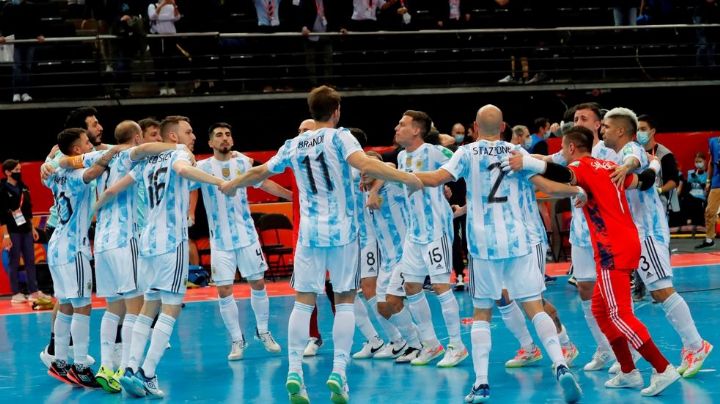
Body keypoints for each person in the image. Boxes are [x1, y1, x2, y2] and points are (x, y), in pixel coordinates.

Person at [220, 85, 422, 404]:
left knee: (303, 301)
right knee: (343, 301)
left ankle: (295, 371)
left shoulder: (294, 143)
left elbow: (261, 170)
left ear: (312, 110)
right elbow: (366, 164)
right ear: (337, 110)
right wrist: (407, 177)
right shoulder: (341, 137)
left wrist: (233, 183)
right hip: (342, 231)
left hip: (309, 233)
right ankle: (339, 373)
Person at [413, 104, 582, 403]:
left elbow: (437, 178)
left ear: (475, 129)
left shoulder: (466, 153)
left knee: (481, 313)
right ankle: (559, 363)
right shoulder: (517, 153)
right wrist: (578, 191)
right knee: (533, 305)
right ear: (503, 127)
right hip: (518, 241)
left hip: (483, 246)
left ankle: (480, 384)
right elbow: (545, 184)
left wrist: (399, 176)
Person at [509, 125, 680, 397]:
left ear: (572, 147)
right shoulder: (609, 165)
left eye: (563, 148)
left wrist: (528, 164)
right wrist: (656, 165)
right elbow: (641, 179)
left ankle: (662, 368)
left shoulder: (582, 166)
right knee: (600, 309)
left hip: (613, 246)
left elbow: (562, 176)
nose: (562, 153)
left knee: (619, 314)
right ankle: (628, 371)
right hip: (622, 241)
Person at [98, 116, 229, 398]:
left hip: (147, 242)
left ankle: (131, 369)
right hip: (171, 241)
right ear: (173, 137)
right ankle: (146, 373)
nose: (193, 136)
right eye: (188, 131)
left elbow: (112, 189)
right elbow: (183, 170)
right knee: (170, 308)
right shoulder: (180, 153)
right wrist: (220, 182)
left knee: (149, 307)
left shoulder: (145, 162)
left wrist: (95, 210)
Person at [601, 107, 713, 379]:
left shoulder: (632, 149)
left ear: (619, 130)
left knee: (663, 290)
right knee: (656, 291)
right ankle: (691, 345)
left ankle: (696, 345)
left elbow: (634, 160)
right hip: (637, 233)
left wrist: (626, 167)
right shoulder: (613, 153)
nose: (601, 130)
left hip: (648, 231)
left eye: (605, 125)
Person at [191, 122, 290, 360]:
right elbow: (190, 187)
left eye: (227, 134)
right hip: (220, 241)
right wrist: (190, 211)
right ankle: (237, 339)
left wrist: (293, 196)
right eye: (218, 135)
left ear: (232, 140)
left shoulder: (244, 163)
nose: (224, 138)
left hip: (247, 236)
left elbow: (265, 182)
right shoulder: (201, 167)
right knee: (224, 290)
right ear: (211, 143)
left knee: (258, 283)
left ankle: (263, 332)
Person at [42, 128, 127, 387]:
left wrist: (50, 159)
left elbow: (49, 165)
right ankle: (79, 365)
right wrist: (113, 151)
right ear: (77, 149)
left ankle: (60, 362)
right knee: (83, 305)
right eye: (87, 142)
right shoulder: (78, 173)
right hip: (74, 247)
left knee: (66, 303)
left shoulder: (52, 173)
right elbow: (92, 172)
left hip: (56, 246)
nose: (91, 144)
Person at [0, 159, 45, 303]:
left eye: (20, 170)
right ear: (7, 172)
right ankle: (16, 293)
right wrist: (6, 235)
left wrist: (32, 228)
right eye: (16, 170)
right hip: (12, 231)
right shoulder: (2, 189)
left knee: (30, 260)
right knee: (14, 261)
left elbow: (28, 210)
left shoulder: (24, 187)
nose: (19, 173)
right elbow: (2, 215)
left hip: (26, 230)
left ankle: (33, 291)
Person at [0, 0, 45, 102]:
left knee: (27, 67)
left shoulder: (31, 6)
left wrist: (39, 34)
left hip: (29, 40)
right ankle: (16, 92)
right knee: (17, 67)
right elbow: (3, 22)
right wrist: (2, 35)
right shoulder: (8, 6)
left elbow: (36, 21)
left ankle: (25, 92)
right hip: (14, 41)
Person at [697, 132, 720, 249]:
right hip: (717, 182)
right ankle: (709, 239)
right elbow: (711, 162)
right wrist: (708, 181)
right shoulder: (713, 141)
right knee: (710, 211)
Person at [682, 152, 708, 227]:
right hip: (690, 198)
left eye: (700, 161)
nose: (698, 163)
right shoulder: (690, 173)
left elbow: (706, 190)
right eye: (696, 162)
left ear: (705, 162)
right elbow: (687, 188)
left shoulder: (707, 175)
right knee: (687, 198)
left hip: (701, 198)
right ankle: (688, 219)